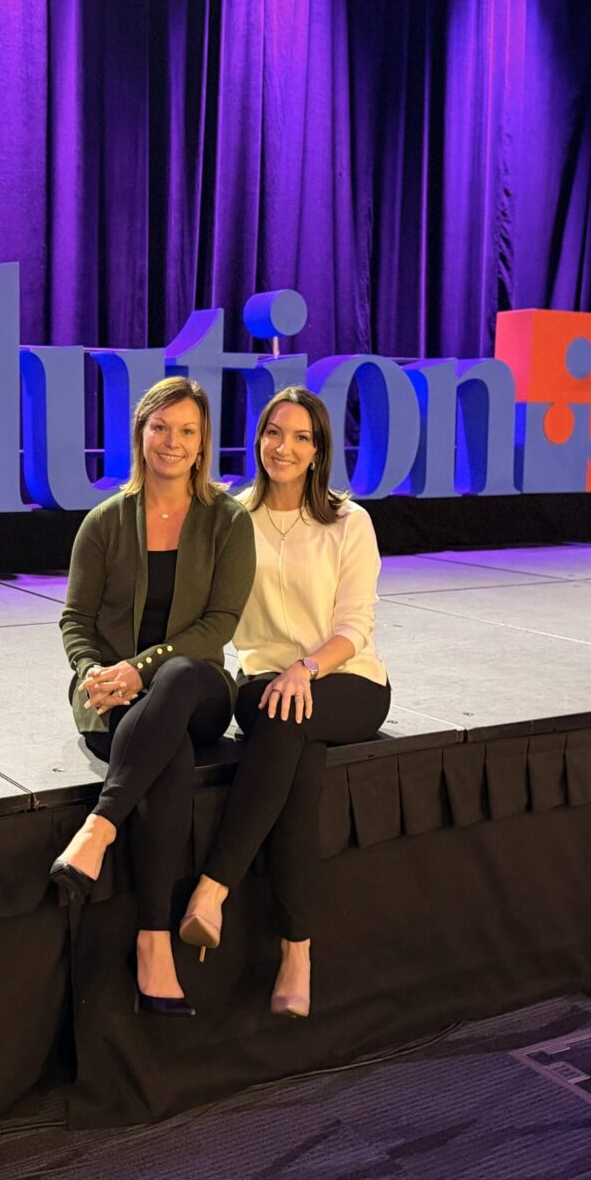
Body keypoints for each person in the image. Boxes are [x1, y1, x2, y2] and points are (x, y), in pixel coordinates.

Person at [179, 386, 390, 1017]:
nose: (285, 447)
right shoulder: (232, 519)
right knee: (286, 730)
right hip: (265, 683)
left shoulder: (350, 522)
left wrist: (307, 668)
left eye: (301, 437)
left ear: (319, 449)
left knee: (291, 730)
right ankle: (296, 952)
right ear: (259, 438)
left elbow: (355, 626)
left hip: (348, 680)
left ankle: (212, 890)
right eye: (274, 432)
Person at [51, 376, 255, 1017]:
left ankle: (100, 827)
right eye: (160, 427)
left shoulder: (228, 521)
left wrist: (140, 668)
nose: (172, 441)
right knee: (166, 756)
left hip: (197, 692)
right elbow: (76, 621)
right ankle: (153, 942)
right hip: (116, 701)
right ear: (140, 433)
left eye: (187, 430)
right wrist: (92, 671)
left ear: (203, 442)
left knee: (177, 676)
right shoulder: (105, 521)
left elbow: (220, 624)